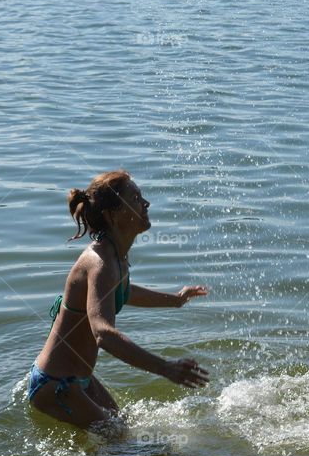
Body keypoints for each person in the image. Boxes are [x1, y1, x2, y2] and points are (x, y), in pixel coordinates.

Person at [27, 169, 209, 433]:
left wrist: (176, 300)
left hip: (80, 380)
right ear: (113, 215)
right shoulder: (100, 262)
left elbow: (123, 290)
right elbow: (103, 333)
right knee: (125, 444)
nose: (145, 204)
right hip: (56, 384)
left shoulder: (115, 257)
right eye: (135, 199)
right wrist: (165, 368)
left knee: (124, 429)